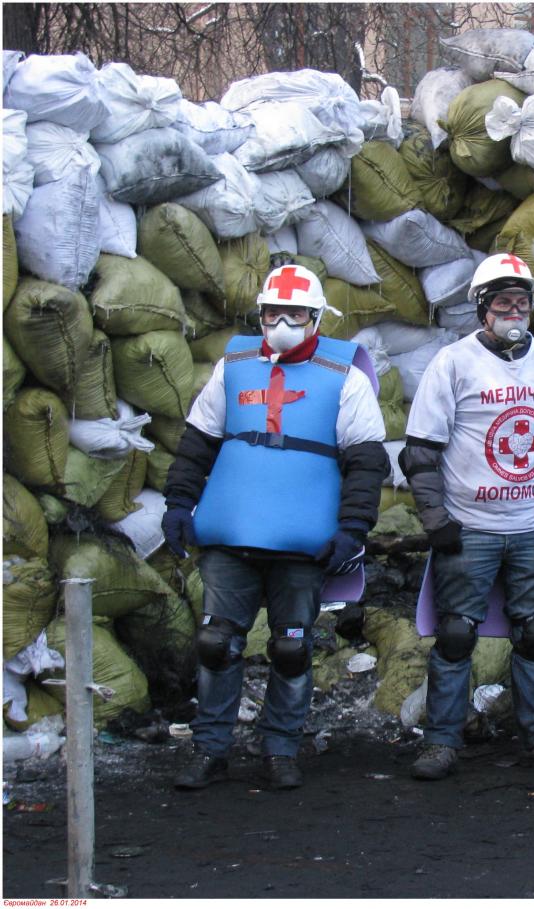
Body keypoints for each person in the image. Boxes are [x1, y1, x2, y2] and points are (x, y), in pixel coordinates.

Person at [162, 262, 389, 791]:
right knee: (217, 642)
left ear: (314, 318)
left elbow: (366, 460)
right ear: (260, 314)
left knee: (291, 646)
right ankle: (210, 750)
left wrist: (353, 528)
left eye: (293, 313)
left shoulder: (345, 376)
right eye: (271, 312)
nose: (281, 322)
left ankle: (281, 749)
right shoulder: (234, 365)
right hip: (229, 534)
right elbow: (198, 441)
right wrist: (178, 503)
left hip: (301, 542)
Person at [399, 252, 534, 781]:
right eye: (503, 302)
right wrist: (437, 521)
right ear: (482, 308)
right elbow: (419, 452)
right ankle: (442, 741)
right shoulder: (453, 363)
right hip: (471, 529)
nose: (515, 311)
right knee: (457, 633)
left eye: (523, 301)